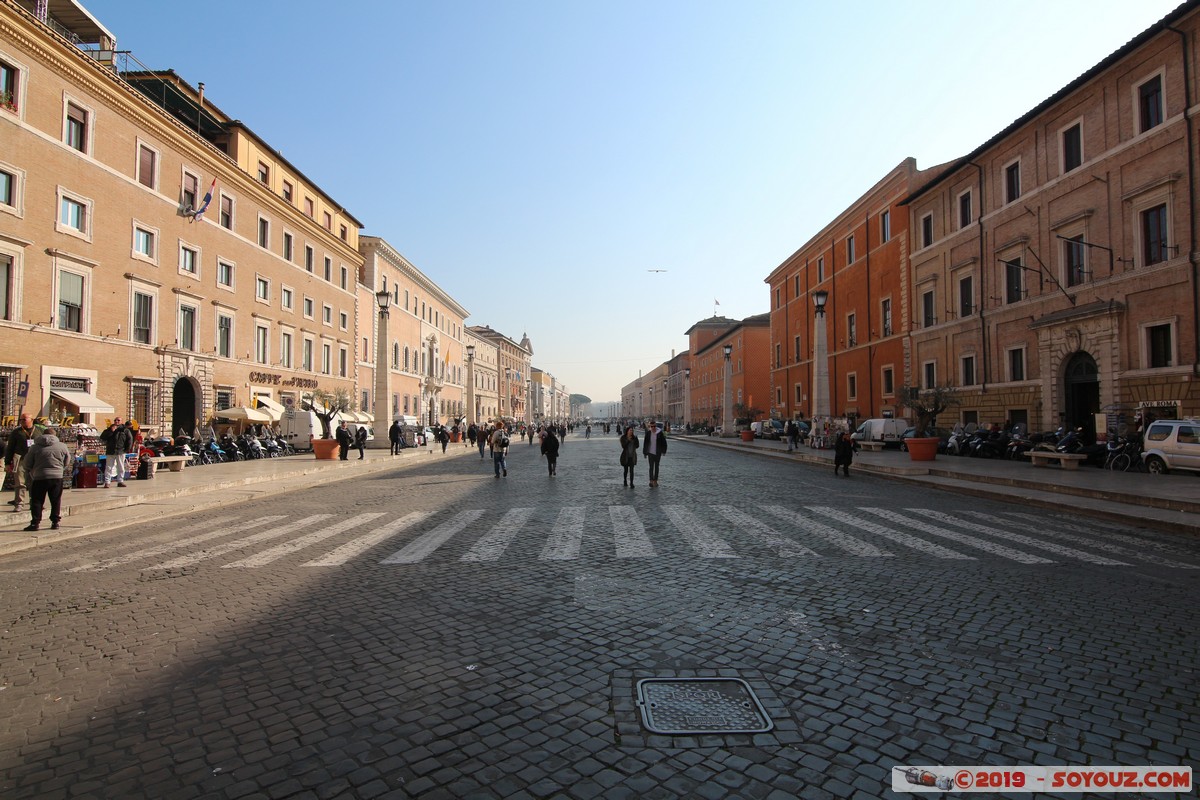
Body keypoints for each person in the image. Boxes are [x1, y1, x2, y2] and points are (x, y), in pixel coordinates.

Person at [21, 426, 70, 532]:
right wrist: (61, 469)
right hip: (57, 477)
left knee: (37, 501)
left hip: (39, 476)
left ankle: (35, 523)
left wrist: (31, 470)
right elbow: (67, 460)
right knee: (55, 500)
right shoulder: (62, 446)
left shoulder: (35, 447)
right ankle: (55, 522)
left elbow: (27, 462)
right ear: (54, 435)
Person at [4, 412, 37, 512]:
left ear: (31, 420)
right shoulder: (16, 432)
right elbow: (10, 448)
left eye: (24, 419)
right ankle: (19, 503)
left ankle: (34, 503)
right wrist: (7, 463)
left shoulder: (39, 431)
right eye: (21, 420)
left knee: (34, 483)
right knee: (20, 483)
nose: (22, 422)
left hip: (34, 460)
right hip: (20, 460)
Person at [100, 416, 133, 488]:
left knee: (121, 467)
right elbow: (102, 437)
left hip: (120, 451)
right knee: (109, 467)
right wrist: (111, 431)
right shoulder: (109, 429)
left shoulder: (125, 430)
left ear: (121, 421)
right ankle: (107, 482)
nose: (116, 421)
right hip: (110, 451)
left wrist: (126, 450)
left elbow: (130, 440)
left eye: (118, 420)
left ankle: (120, 481)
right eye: (115, 420)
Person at [642, 418, 667, 487]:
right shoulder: (648, 433)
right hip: (650, 452)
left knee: (656, 467)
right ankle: (651, 481)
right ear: (650, 426)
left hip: (657, 452)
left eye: (654, 426)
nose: (653, 428)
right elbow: (645, 443)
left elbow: (664, 442)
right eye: (651, 426)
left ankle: (655, 481)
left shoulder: (659, 433)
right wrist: (645, 452)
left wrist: (664, 451)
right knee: (651, 467)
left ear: (655, 426)